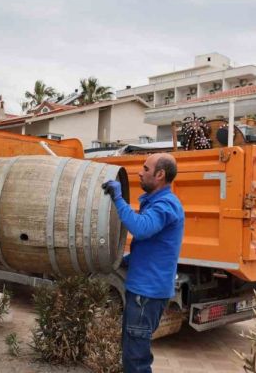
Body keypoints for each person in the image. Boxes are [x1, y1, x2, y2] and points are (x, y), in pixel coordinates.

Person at [101, 153, 184, 373]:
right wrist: (124, 261)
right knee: (132, 352)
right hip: (145, 291)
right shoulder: (157, 202)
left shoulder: (166, 205)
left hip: (146, 294)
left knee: (136, 360)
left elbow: (141, 228)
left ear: (160, 175)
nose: (140, 172)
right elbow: (153, 246)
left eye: (146, 169)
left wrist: (118, 199)